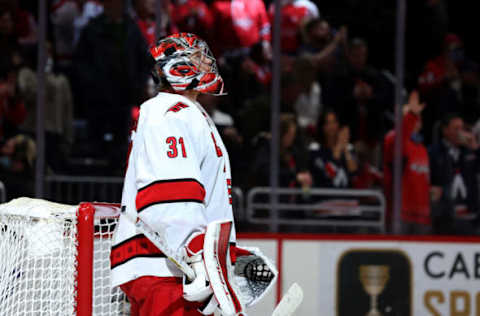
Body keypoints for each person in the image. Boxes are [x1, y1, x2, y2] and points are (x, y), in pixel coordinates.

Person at [110, 33, 236, 316]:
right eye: (198, 57)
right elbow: (169, 192)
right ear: (179, 66)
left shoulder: (187, 111)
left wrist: (226, 258)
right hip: (167, 267)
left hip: (173, 264)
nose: (208, 62)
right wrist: (198, 255)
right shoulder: (170, 111)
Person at [383, 91, 431, 234]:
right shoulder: (393, 140)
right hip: (401, 215)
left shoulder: (422, 148)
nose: (415, 119)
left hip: (422, 217)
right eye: (408, 115)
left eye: (417, 116)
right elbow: (401, 136)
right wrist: (411, 116)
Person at [429, 113, 479, 234]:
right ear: (445, 130)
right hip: (445, 216)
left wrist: (476, 148)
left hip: (471, 216)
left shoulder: (470, 151)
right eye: (456, 128)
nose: (460, 132)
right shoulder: (434, 152)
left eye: (462, 128)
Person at [309, 109, 357, 189]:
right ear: (322, 127)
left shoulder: (349, 148)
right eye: (328, 123)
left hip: (347, 197)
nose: (332, 126)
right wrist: (338, 147)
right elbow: (330, 173)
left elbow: (354, 173)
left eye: (334, 122)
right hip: (326, 196)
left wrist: (345, 149)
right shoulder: (315, 150)